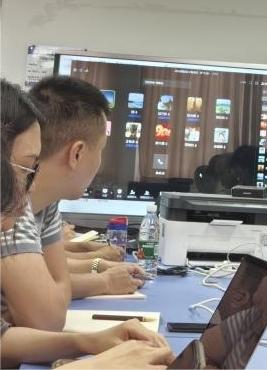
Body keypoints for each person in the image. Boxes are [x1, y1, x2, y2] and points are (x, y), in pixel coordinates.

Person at [0, 79, 174, 369]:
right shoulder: (13, 211)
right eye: (26, 169)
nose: (29, 190)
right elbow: (46, 318)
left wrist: (86, 343)